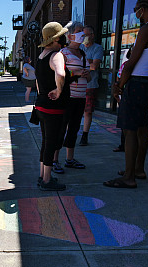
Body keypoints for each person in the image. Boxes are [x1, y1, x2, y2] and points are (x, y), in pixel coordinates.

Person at [104, 0, 148, 188]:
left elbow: (131, 63)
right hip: (147, 82)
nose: (135, 13)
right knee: (142, 128)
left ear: (144, 8)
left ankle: (129, 177)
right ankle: (138, 169)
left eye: (136, 10)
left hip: (136, 82)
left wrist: (118, 84)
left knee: (129, 129)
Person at [35, 21, 71, 191]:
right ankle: (47, 180)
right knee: (51, 143)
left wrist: (43, 93)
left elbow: (37, 81)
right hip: (53, 107)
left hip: (41, 105)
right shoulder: (56, 55)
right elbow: (60, 73)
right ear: (57, 39)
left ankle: (43, 175)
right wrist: (58, 90)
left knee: (45, 142)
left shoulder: (41, 56)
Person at [53, 21, 91, 174]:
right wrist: (76, 74)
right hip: (67, 96)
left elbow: (87, 77)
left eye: (83, 30)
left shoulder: (82, 53)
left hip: (81, 96)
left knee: (74, 128)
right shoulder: (63, 53)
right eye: (79, 30)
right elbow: (59, 75)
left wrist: (87, 75)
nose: (83, 33)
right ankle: (54, 160)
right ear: (70, 35)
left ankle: (69, 158)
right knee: (61, 128)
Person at [79, 25, 104, 146]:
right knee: (74, 110)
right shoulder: (79, 47)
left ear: (92, 35)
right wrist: (88, 61)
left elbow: (94, 66)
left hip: (90, 84)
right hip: (77, 83)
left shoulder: (97, 48)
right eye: (82, 35)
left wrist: (83, 61)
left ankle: (85, 135)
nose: (84, 38)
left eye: (86, 35)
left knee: (87, 111)